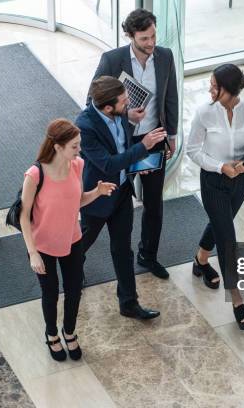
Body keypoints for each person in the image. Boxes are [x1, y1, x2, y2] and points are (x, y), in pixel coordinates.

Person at [90, 8, 179, 280]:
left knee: (154, 203)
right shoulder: (112, 60)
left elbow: (170, 97)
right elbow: (91, 103)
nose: (151, 43)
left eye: (153, 36)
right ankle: (76, 256)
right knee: (106, 206)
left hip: (152, 139)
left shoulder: (164, 56)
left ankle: (148, 255)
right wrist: (125, 113)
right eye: (144, 39)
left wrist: (171, 135)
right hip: (121, 144)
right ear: (130, 36)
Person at [186, 64, 244, 331]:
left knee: (219, 223)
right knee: (227, 236)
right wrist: (219, 166)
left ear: (231, 90)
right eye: (211, 84)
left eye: (215, 86)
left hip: (240, 181)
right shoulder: (204, 113)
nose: (210, 90)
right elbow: (192, 150)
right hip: (213, 180)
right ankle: (236, 299)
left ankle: (201, 260)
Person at [20, 118, 117, 361]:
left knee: (74, 290)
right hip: (42, 245)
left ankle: (69, 331)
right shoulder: (35, 174)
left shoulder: (77, 166)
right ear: (58, 147)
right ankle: (52, 334)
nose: (79, 150)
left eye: (79, 145)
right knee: (50, 293)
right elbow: (23, 215)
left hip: (72, 239)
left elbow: (76, 200)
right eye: (74, 146)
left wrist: (97, 192)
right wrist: (32, 252)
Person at [76, 76, 167, 319]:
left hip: (122, 191)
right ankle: (72, 268)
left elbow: (122, 151)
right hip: (97, 195)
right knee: (82, 242)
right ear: (107, 107)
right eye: (124, 102)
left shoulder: (121, 115)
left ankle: (129, 303)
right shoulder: (85, 126)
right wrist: (143, 147)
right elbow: (107, 164)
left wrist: (137, 163)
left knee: (122, 250)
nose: (129, 104)